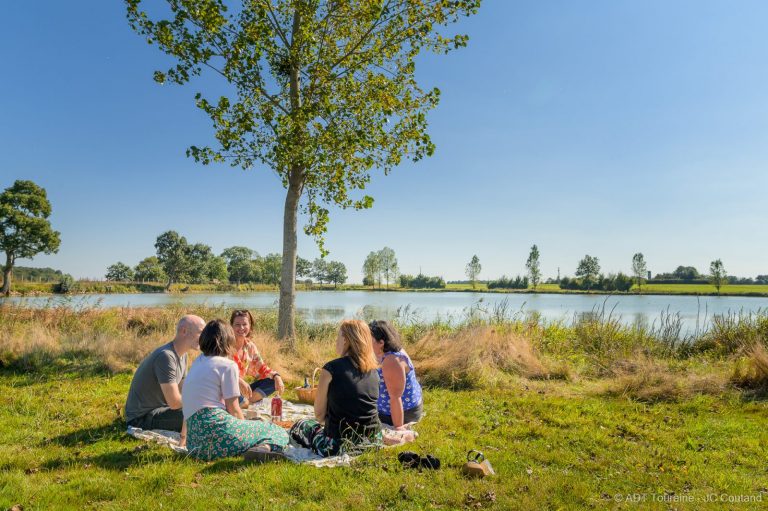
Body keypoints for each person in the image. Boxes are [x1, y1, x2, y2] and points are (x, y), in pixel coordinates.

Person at [182, 319, 289, 461]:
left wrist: (183, 439)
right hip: (216, 434)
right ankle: (263, 449)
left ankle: (256, 448)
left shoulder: (198, 362)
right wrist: (244, 427)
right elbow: (233, 409)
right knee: (276, 431)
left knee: (255, 427)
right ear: (228, 340)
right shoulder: (227, 365)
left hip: (195, 445)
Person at [289, 320, 381, 457]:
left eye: (338, 337)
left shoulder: (331, 369)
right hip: (373, 441)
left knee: (300, 425)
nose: (335, 342)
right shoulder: (373, 370)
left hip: (337, 445)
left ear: (345, 340)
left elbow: (319, 416)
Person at [124, 314, 206, 433]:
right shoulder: (166, 356)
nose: (204, 337)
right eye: (200, 332)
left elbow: (184, 391)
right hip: (142, 418)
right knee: (202, 417)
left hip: (161, 410)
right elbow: (174, 402)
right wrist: (202, 401)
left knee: (208, 412)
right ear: (184, 331)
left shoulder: (183, 355)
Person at [368, 320, 423, 428]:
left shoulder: (392, 360)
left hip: (401, 413)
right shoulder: (385, 352)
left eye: (369, 340)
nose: (365, 343)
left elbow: (395, 398)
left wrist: (398, 428)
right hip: (396, 408)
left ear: (381, 343)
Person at [229, 309, 284, 403]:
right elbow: (220, 373)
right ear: (231, 326)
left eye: (245, 324)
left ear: (250, 326)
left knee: (271, 382)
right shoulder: (225, 346)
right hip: (226, 390)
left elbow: (262, 368)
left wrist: (276, 376)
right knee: (238, 396)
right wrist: (238, 380)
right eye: (237, 324)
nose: (241, 328)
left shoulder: (249, 346)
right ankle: (242, 403)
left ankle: (246, 402)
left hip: (241, 390)